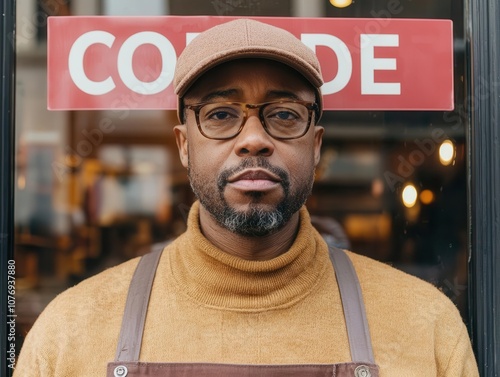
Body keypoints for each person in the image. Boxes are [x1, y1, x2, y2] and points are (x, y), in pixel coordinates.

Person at [15, 19, 478, 377]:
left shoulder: (426, 324)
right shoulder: (69, 331)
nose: (253, 139)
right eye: (219, 114)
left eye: (283, 113)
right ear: (183, 144)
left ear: (315, 145)